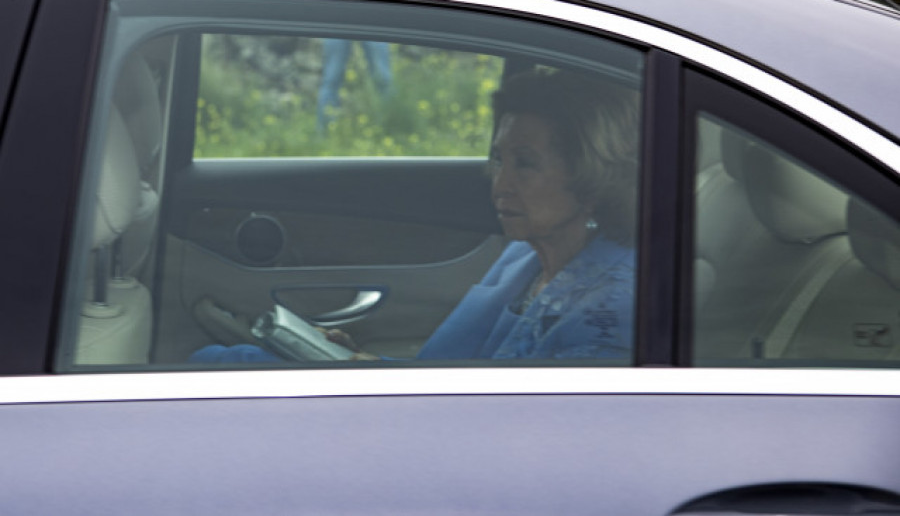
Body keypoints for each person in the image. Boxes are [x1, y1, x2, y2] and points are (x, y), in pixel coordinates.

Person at [192, 68, 639, 363]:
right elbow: (456, 372)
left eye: (525, 163)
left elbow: (501, 428)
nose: (500, 183)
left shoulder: (610, 315)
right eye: (499, 159)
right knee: (217, 364)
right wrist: (360, 363)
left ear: (590, 176)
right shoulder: (527, 255)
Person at [316, 39, 392, 132]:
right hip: (339, 24)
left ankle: (391, 129)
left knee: (383, 78)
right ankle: (325, 133)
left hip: (375, 24)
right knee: (332, 78)